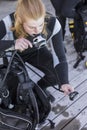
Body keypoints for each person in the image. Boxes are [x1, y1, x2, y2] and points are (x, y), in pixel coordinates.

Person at [0, 0, 74, 96]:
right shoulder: (8, 22)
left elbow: (60, 56)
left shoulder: (53, 23)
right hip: (13, 54)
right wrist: (12, 44)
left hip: (36, 51)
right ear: (21, 20)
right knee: (14, 89)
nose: (37, 30)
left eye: (40, 25)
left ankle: (39, 89)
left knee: (56, 76)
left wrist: (64, 82)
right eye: (31, 27)